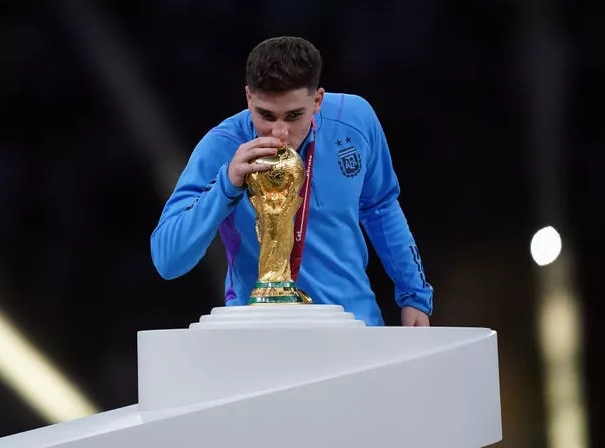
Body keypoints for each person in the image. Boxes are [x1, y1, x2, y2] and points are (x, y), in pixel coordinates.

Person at [150, 36, 433, 326]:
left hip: (354, 326)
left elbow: (381, 207)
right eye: (266, 115)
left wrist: (414, 295)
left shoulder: (354, 120)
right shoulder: (221, 147)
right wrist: (228, 183)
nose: (279, 132)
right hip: (263, 335)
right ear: (249, 97)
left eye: (294, 115)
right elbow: (167, 260)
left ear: (318, 100)